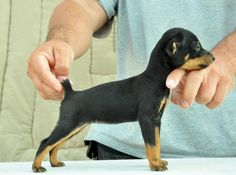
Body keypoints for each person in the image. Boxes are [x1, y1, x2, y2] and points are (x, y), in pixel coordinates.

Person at [27, 0, 236, 159]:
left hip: (227, 158)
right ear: (172, 50)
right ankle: (42, 157)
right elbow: (84, 5)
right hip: (120, 152)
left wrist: (230, 58)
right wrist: (61, 41)